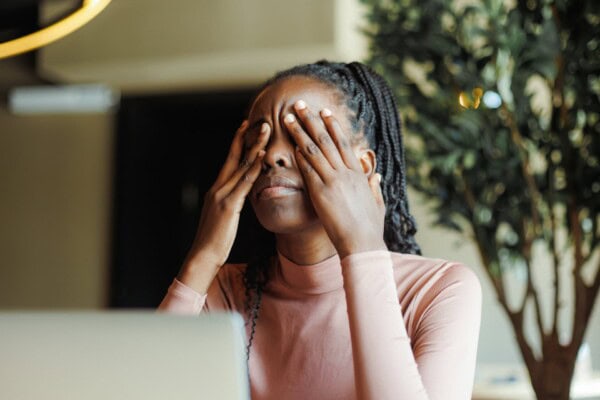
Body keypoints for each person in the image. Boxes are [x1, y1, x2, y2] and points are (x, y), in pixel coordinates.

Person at [158, 60, 481, 400]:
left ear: (363, 167)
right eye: (260, 139)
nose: (272, 156)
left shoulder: (439, 291)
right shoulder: (224, 290)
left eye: (304, 134)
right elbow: (140, 387)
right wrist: (203, 257)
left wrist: (362, 248)